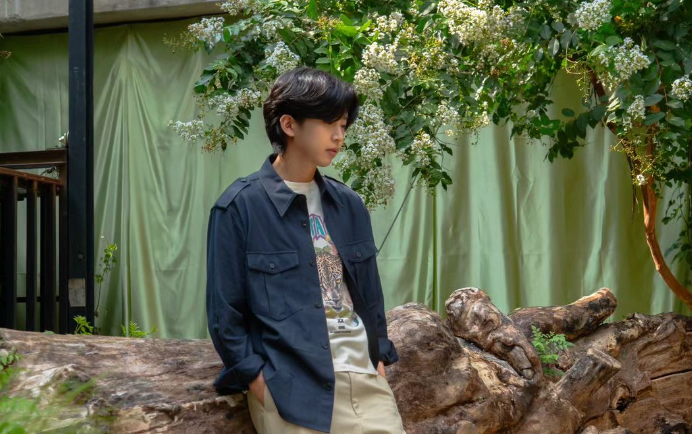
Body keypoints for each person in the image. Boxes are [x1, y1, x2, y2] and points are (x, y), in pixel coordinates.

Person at [205, 66, 407, 434]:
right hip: (292, 392)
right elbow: (225, 314)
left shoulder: (349, 205)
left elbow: (370, 298)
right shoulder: (239, 207)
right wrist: (259, 383)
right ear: (289, 124)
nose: (338, 135)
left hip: (367, 384)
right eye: (328, 123)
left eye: (343, 125)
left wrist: (378, 360)